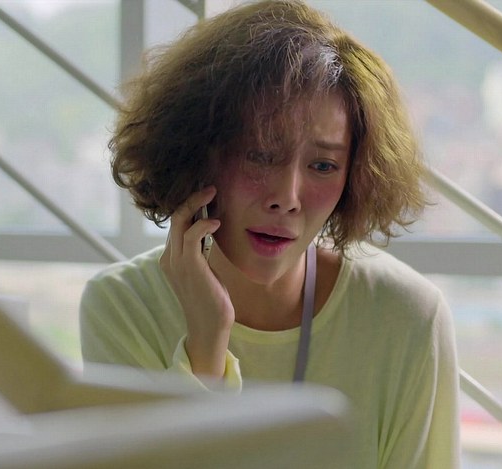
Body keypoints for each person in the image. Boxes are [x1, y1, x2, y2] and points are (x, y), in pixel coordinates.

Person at [79, 1, 459, 467]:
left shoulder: (406, 317)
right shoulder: (122, 308)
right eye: (260, 154)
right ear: (198, 151)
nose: (287, 197)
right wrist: (206, 350)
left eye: (323, 165)